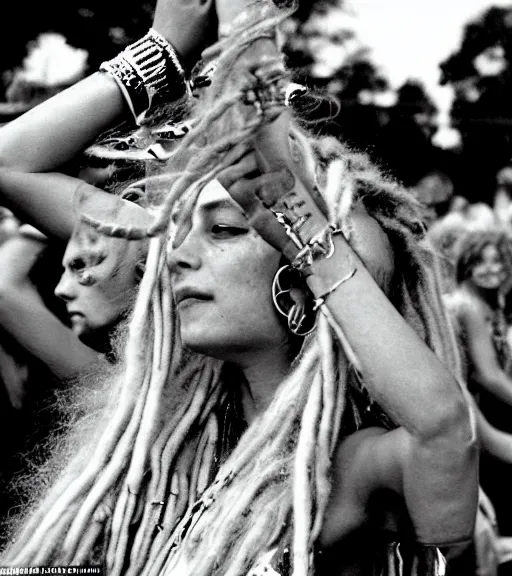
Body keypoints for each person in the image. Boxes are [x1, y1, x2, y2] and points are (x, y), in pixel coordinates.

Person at [1, 0, 477, 575]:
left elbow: (446, 434)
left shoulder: (349, 470)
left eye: (224, 230)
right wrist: (158, 54)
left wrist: (294, 209)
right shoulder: (170, 439)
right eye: (176, 231)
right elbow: (11, 166)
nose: (174, 256)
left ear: (303, 280)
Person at [445, 230, 512, 543]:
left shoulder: (485, 304)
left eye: (498, 261)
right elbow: (489, 375)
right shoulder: (469, 307)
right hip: (465, 409)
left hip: (474, 406)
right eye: (480, 262)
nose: (492, 269)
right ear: (465, 265)